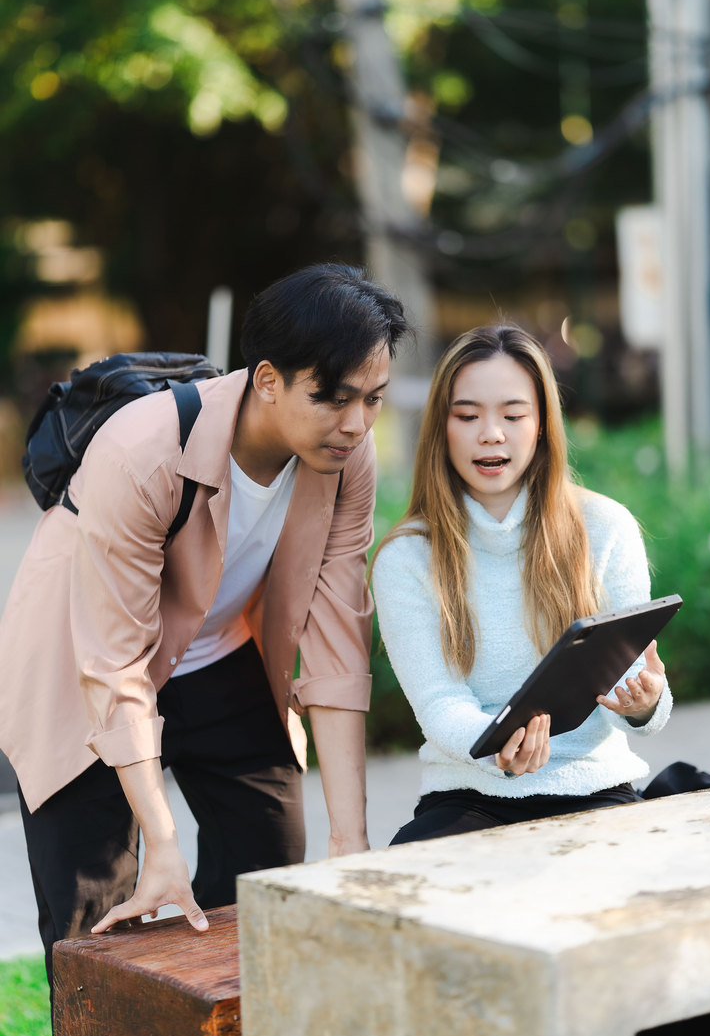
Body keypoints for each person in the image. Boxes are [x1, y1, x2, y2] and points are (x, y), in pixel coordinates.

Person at [0, 262, 409, 987]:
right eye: (333, 398)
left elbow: (338, 642)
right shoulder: (142, 448)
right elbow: (115, 662)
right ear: (268, 379)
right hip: (83, 663)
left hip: (217, 654)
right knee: (94, 909)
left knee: (269, 852)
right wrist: (162, 841)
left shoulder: (346, 458)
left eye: (373, 400)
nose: (355, 423)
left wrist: (353, 841)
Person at [371, 323, 671, 845]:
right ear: (441, 426)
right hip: (468, 796)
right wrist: (495, 747)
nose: (492, 434)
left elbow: (639, 695)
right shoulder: (406, 557)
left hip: (596, 787)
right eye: (468, 416)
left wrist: (646, 703)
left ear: (542, 425)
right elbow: (440, 704)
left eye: (513, 415)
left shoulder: (606, 528)